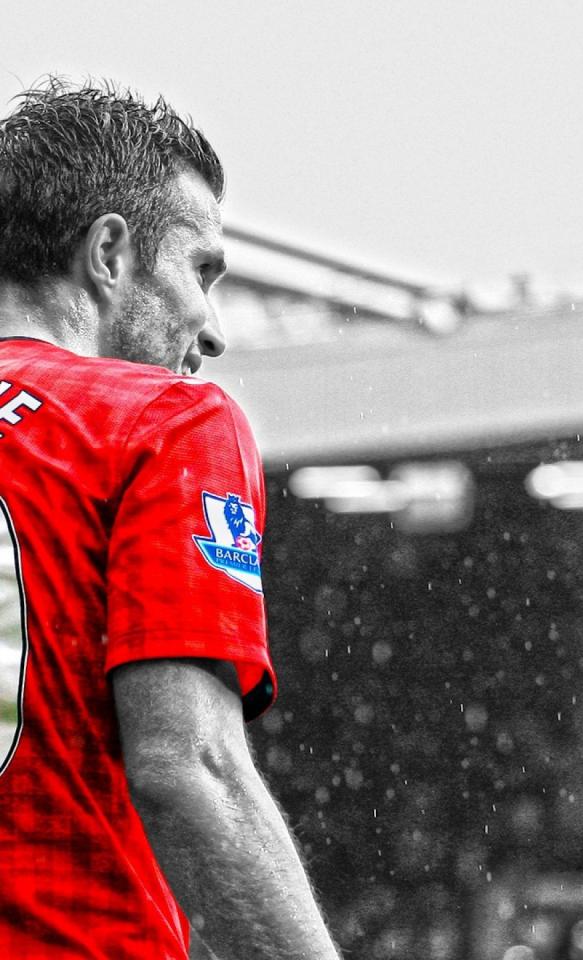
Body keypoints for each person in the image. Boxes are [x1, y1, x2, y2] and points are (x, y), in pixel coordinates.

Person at [0, 78, 341, 960]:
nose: (212, 328)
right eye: (201, 272)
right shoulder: (162, 422)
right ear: (109, 252)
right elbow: (190, 769)